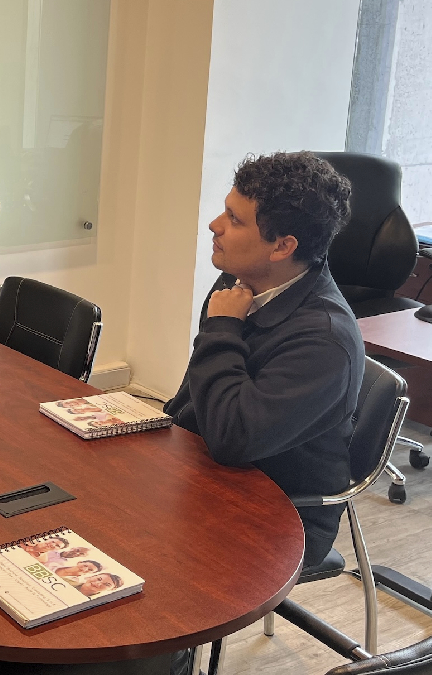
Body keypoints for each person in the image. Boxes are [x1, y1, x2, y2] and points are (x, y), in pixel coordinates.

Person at [163, 152, 361, 568]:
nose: (215, 225)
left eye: (234, 220)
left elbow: (234, 438)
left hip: (279, 512)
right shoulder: (238, 282)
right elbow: (197, 394)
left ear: (283, 246)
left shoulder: (324, 341)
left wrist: (222, 329)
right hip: (209, 468)